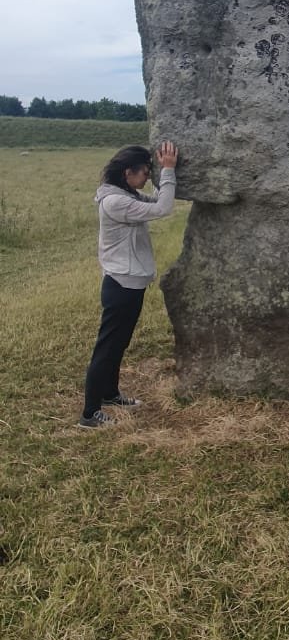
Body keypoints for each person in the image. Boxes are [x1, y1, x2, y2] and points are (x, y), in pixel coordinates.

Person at [79, 140, 179, 429]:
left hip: (128, 282)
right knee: (107, 347)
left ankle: (109, 394)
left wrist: (161, 172)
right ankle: (89, 413)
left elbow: (156, 201)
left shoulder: (126, 194)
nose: (147, 176)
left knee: (119, 343)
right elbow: (163, 209)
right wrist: (168, 170)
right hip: (121, 285)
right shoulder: (116, 202)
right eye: (145, 172)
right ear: (128, 173)